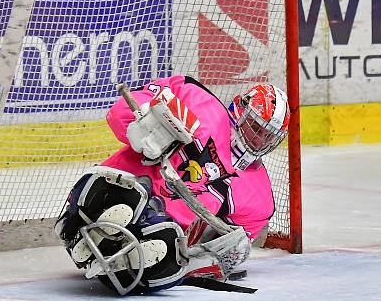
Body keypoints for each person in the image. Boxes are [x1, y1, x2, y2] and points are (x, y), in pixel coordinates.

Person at [54, 74, 290, 295]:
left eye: (268, 135)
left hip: (154, 234)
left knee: (162, 243)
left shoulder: (260, 201)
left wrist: (213, 256)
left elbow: (223, 255)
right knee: (125, 200)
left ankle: (115, 255)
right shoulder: (196, 98)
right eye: (255, 126)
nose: (259, 139)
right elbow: (124, 107)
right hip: (115, 189)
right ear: (241, 109)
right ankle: (90, 232)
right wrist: (144, 128)